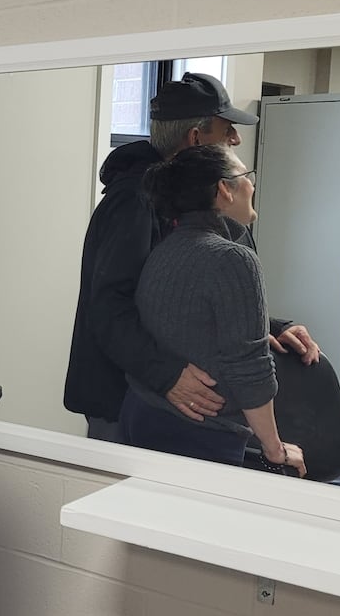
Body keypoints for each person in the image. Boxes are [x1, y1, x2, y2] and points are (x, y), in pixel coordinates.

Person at [64, 72, 319, 443]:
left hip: (173, 405)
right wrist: (166, 375)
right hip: (129, 401)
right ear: (197, 138)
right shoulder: (134, 201)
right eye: (227, 129)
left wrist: (270, 327)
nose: (236, 139)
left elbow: (191, 297)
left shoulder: (196, 208)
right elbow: (107, 307)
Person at [119, 143, 306, 476]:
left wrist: (272, 328)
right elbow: (250, 368)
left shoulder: (166, 250)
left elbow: (194, 331)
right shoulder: (233, 260)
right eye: (246, 176)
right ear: (225, 189)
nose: (252, 184)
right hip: (198, 437)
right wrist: (275, 450)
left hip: (143, 416)